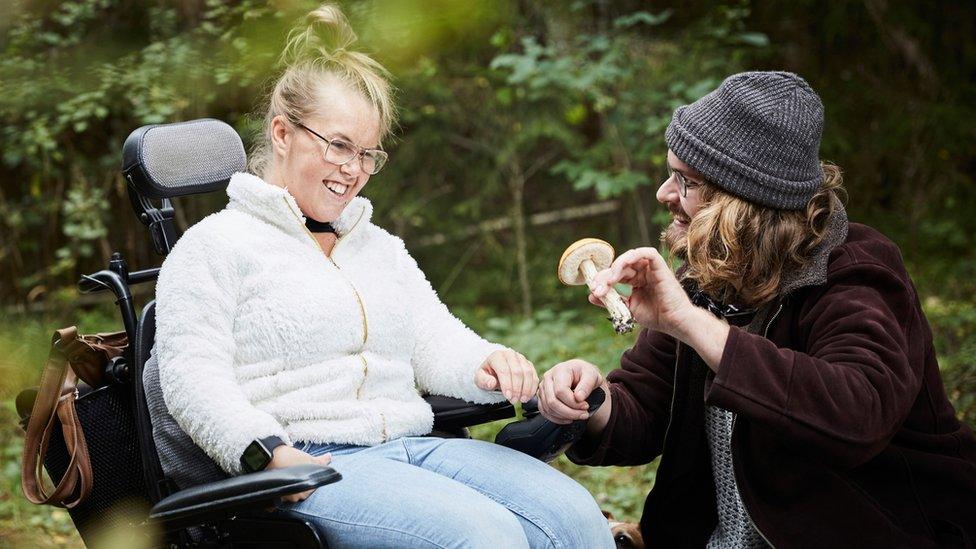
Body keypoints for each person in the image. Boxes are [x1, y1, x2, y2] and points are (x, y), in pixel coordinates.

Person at [153, 4, 614, 548]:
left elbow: (432, 340)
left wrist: (484, 363)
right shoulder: (212, 247)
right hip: (310, 465)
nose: (353, 170)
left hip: (413, 444)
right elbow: (192, 383)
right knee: (486, 538)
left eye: (368, 154)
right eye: (339, 145)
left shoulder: (378, 247)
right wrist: (267, 453)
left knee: (575, 519)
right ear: (282, 132)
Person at [537, 71, 976, 548]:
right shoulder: (704, 278)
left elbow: (858, 411)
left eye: (684, 181)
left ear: (742, 202)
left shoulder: (856, 271)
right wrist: (592, 398)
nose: (665, 194)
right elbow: (642, 409)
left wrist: (691, 323)